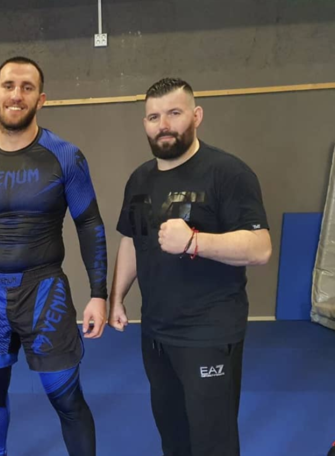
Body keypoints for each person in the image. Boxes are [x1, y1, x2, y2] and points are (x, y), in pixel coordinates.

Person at [0, 56, 108, 456]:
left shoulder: (66, 156)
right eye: (9, 86)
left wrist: (98, 293)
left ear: (41, 99)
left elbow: (89, 224)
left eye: (27, 87)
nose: (16, 95)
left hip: (44, 291)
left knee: (67, 399)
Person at [109, 78, 272, 456]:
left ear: (196, 116)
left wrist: (195, 242)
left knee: (213, 443)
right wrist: (117, 297)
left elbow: (260, 248)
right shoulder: (139, 179)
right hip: (156, 332)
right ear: (145, 123)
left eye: (174, 113)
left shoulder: (227, 172)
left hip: (209, 334)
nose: (163, 124)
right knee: (174, 437)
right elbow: (132, 240)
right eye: (154, 117)